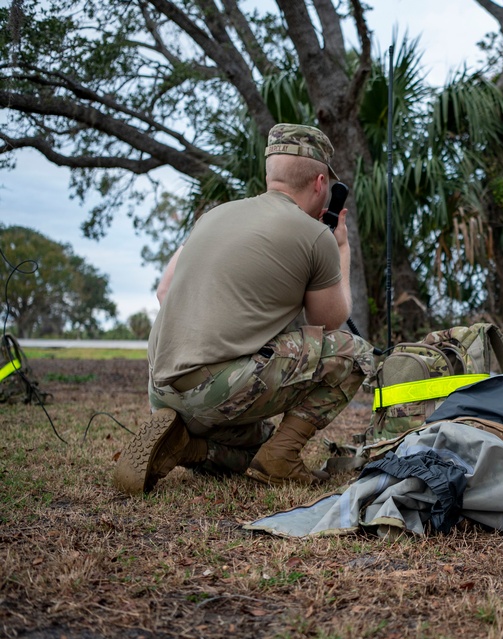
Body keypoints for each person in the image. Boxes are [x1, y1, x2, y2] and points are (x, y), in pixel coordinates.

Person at [113, 123, 374, 495]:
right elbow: (330, 325)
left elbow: (164, 291)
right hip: (217, 391)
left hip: (161, 388)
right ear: (320, 184)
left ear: (270, 175)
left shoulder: (214, 216)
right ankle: (281, 459)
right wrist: (341, 249)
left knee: (256, 442)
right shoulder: (316, 235)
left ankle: (188, 446)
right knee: (357, 353)